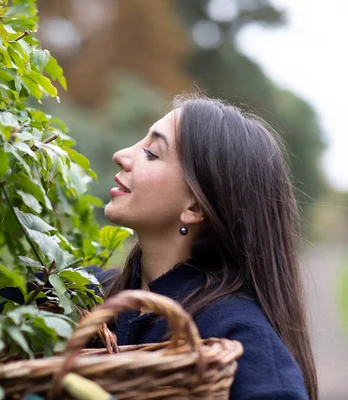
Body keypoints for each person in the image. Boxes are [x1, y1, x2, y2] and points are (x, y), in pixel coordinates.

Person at [96, 95, 317, 399]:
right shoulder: (82, 295)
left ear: (195, 206)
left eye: (151, 152)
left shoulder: (234, 334)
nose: (122, 155)